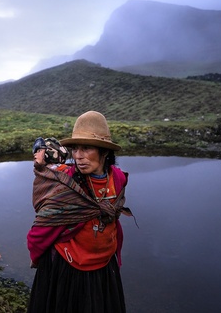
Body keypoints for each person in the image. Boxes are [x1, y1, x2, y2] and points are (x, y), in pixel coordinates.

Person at [27, 111, 133, 313]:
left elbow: (113, 218)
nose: (78, 156)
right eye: (75, 149)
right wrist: (36, 255)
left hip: (104, 266)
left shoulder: (117, 179)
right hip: (68, 269)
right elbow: (41, 229)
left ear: (104, 152)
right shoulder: (65, 183)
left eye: (86, 148)